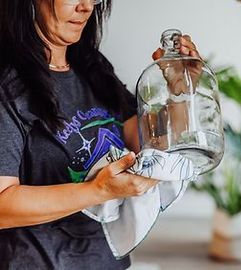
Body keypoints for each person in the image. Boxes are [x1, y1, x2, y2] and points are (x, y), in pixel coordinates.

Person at [0, 0, 199, 269]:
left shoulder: (91, 66)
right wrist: (98, 190)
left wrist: (180, 90)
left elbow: (148, 146)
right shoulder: (7, 85)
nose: (86, 7)